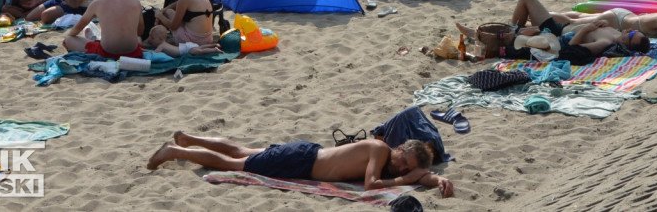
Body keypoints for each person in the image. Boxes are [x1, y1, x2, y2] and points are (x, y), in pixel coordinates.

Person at [146, 132, 452, 196]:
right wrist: (403, 180)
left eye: (404, 168)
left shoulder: (389, 158)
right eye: (404, 162)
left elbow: (421, 175)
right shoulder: (380, 150)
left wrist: (435, 180)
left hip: (306, 154)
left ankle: (187, 138)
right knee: (236, 164)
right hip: (301, 162)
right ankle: (175, 150)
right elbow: (371, 185)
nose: (400, 169)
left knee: (243, 151)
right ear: (399, 149)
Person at [456, 0, 651, 62]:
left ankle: (496, 35)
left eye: (631, 34)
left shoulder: (605, 42)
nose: (629, 30)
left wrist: (585, 29)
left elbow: (571, 50)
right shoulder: (616, 34)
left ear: (628, 45)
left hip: (559, 33)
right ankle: (507, 31)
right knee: (527, 16)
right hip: (565, 24)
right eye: (633, 30)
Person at [63, 0, 144, 58]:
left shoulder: (97, 4)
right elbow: (140, 31)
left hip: (107, 53)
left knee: (69, 39)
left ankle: (93, 40)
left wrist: (68, 37)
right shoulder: (135, 2)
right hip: (132, 52)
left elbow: (77, 29)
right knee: (138, 39)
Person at [558, 2, 657, 39]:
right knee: (574, 22)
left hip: (624, 16)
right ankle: (550, 14)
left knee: (581, 17)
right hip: (616, 19)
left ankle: (556, 13)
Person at [146, 25, 221, 57]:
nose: (150, 39)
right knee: (200, 47)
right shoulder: (164, 43)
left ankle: (213, 49)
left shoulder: (161, 46)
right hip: (186, 46)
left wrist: (144, 50)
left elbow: (154, 53)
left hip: (186, 50)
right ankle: (213, 45)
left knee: (200, 51)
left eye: (152, 38)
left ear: (161, 39)